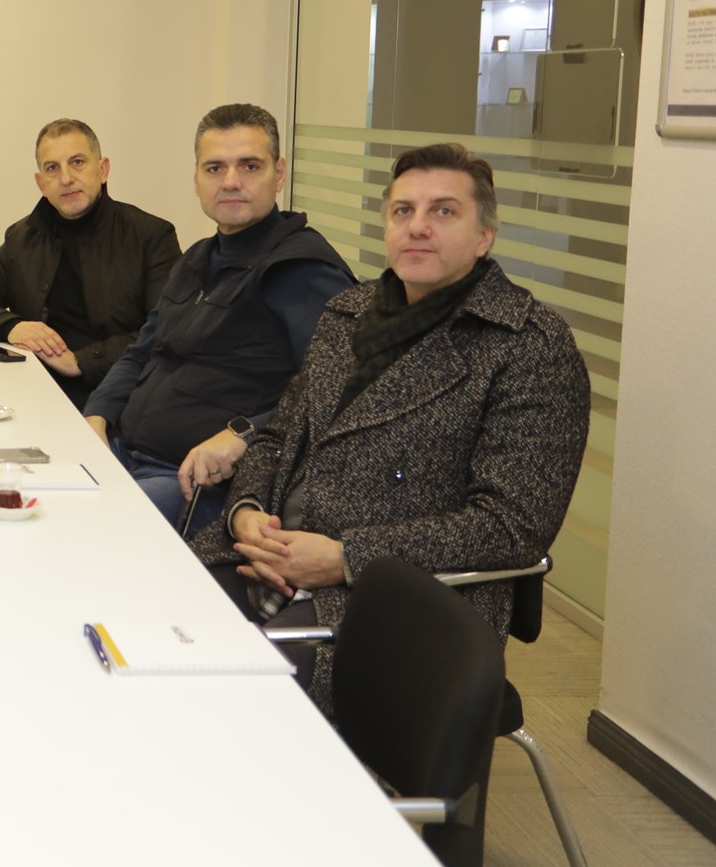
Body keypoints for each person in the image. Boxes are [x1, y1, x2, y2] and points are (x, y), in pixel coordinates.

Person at [191, 142, 590, 714]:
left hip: (400, 600)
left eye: (444, 211)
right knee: (146, 629)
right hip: (269, 558)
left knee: (224, 691)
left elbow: (511, 528)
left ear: (484, 236)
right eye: (404, 210)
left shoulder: (529, 347)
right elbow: (279, 439)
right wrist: (246, 513)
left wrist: (345, 557)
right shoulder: (348, 314)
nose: (418, 227)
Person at [84, 104, 355, 531]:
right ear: (196, 179)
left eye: (249, 166)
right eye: (215, 168)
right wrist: (96, 416)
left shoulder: (302, 269)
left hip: (194, 483)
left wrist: (243, 434)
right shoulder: (197, 259)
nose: (230, 181)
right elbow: (141, 352)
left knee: (85, 532)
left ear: (279, 173)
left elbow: (337, 393)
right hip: (120, 452)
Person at [0, 118, 181, 408]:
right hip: (33, 389)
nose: (66, 178)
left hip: (119, 396)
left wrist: (80, 361)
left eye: (77, 162)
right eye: (52, 168)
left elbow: (166, 333)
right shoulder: (23, 236)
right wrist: (12, 327)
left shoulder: (151, 236)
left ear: (103, 170)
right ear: (41, 184)